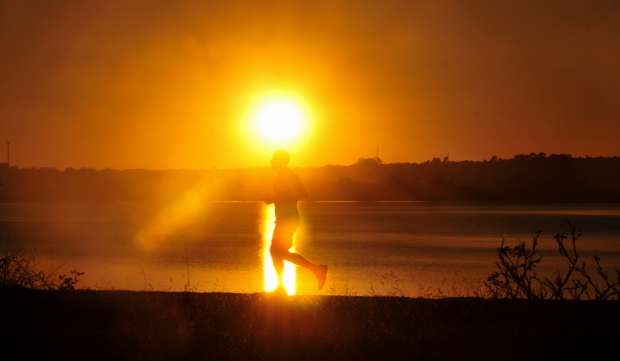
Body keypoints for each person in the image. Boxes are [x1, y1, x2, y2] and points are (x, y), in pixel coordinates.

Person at [265, 149, 327, 291]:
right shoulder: (282, 177)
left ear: (280, 161)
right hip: (284, 219)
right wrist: (274, 199)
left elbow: (303, 193)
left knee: (276, 252)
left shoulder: (289, 176)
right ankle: (282, 285)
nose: (271, 162)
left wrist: (276, 198)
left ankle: (316, 269)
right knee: (277, 252)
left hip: (288, 219)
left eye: (274, 159)